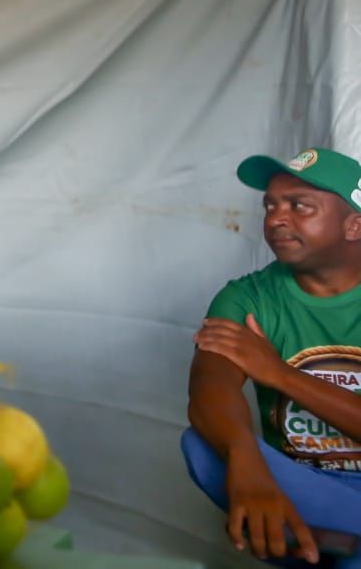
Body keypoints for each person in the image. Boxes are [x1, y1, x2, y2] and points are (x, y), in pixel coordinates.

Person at [185, 147, 361, 567]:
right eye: (271, 205)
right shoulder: (248, 297)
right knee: (203, 445)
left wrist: (279, 374)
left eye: (300, 206)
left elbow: (273, 374)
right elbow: (210, 385)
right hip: (308, 485)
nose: (276, 219)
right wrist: (245, 458)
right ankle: (335, 543)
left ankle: (336, 548)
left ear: (354, 225)